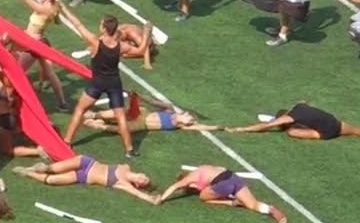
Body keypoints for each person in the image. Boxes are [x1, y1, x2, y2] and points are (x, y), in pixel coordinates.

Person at [60, 5, 136, 157]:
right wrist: (147, 35)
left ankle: (67, 141)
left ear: (104, 29)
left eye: (101, 24)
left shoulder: (96, 43)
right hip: (114, 83)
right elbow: (140, 51)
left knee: (80, 110)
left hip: (97, 83)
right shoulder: (122, 46)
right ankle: (130, 150)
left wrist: (62, 6)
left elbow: (78, 24)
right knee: (120, 116)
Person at [4, 0, 70, 111]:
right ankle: (62, 103)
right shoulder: (52, 8)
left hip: (31, 45)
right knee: (50, 73)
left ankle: (9, 106)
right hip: (39, 41)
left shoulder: (44, 9)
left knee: (13, 74)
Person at [153, 165, 287, 223]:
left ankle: (231, 202)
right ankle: (269, 209)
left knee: (203, 197)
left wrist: (162, 198)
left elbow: (175, 186)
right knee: (252, 204)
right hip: (232, 176)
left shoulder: (189, 179)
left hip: (222, 184)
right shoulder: (203, 167)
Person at [14, 156, 155, 203]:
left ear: (137, 184)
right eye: (145, 177)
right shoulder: (125, 166)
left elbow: (137, 194)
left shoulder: (123, 184)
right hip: (87, 162)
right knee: (51, 169)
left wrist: (151, 199)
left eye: (144, 181)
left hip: (83, 176)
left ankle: (28, 172)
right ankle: (40, 168)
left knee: (51, 180)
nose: (143, 178)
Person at [82, 92, 220, 134]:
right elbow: (153, 102)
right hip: (143, 114)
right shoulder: (169, 109)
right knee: (122, 113)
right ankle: (95, 115)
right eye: (190, 118)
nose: (191, 122)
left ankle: (99, 125)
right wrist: (139, 96)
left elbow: (200, 127)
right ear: (184, 113)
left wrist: (216, 127)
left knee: (124, 129)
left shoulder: (179, 126)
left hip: (142, 126)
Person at [224, 102, 360, 140]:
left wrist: (240, 129)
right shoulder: (299, 107)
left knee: (291, 132)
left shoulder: (290, 119)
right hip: (335, 122)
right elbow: (302, 100)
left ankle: (313, 132)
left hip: (326, 132)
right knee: (356, 131)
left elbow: (265, 126)